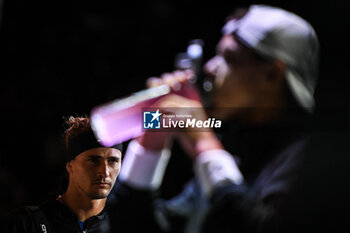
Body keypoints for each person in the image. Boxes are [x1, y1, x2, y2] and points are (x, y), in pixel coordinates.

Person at [115, 4, 323, 233]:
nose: (210, 68)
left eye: (230, 58)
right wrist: (152, 139)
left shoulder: (314, 161)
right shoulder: (238, 149)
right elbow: (137, 226)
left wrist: (204, 143)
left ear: (272, 74)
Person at [1, 116, 123, 233]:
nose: (105, 172)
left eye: (113, 161)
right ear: (70, 166)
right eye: (93, 160)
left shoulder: (126, 225)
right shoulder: (25, 224)